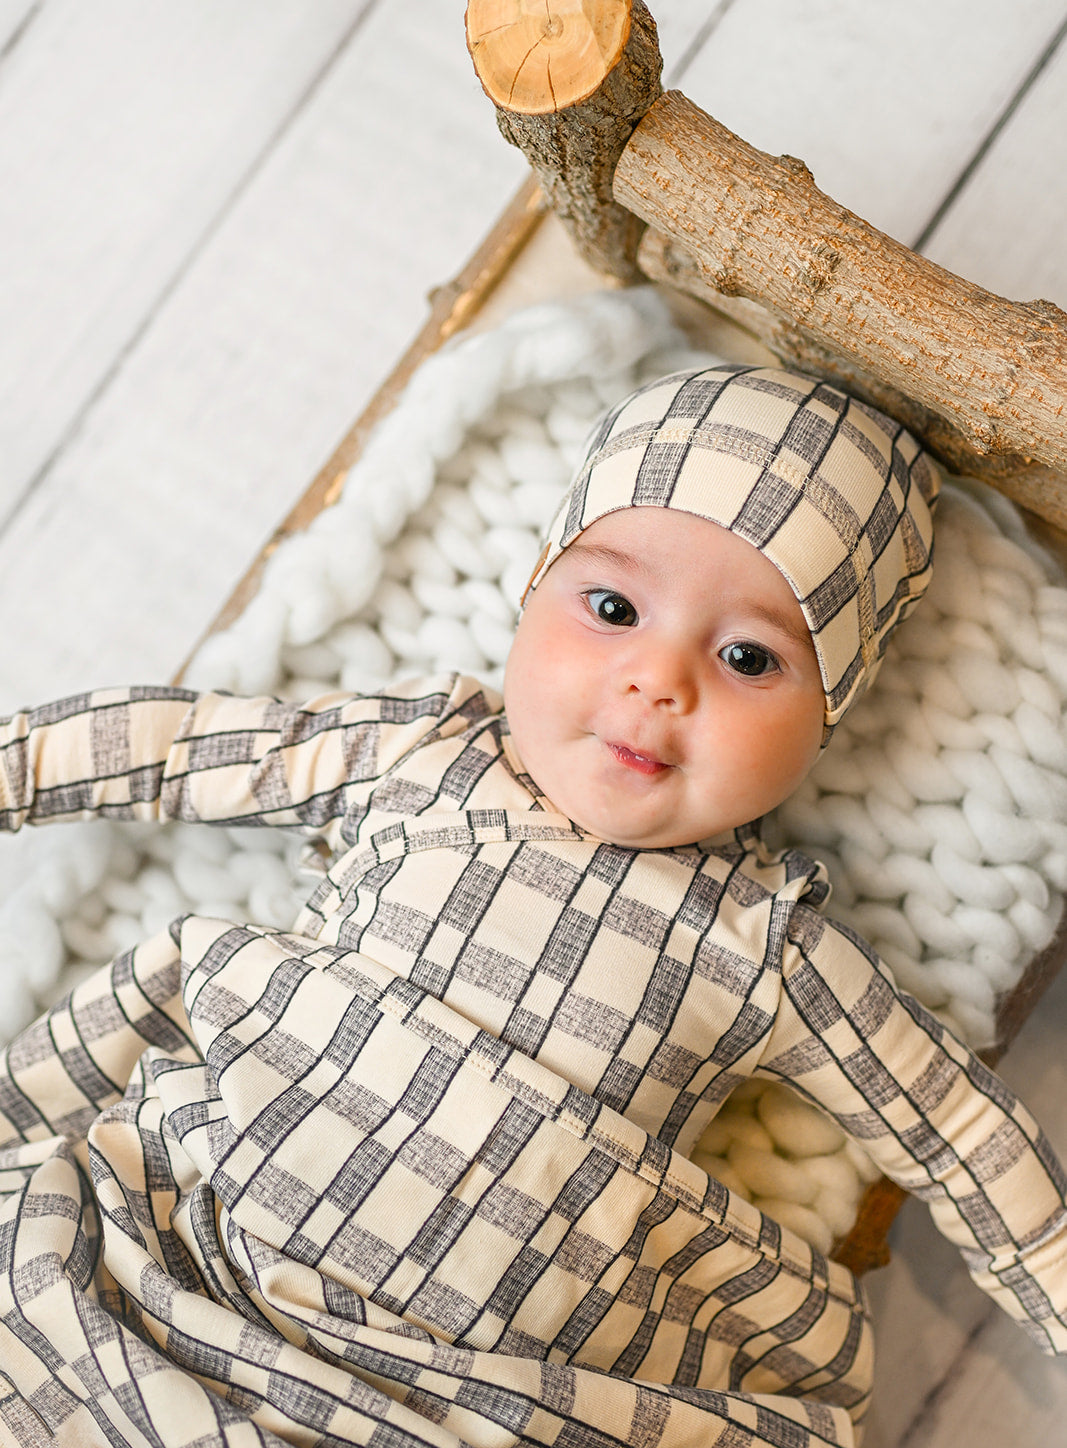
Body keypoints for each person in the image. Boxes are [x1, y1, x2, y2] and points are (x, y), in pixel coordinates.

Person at [0, 365, 1063, 1448]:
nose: (658, 679)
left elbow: (954, 1127)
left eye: (747, 657)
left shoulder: (764, 944)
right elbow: (182, 746)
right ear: (531, 593)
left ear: (824, 718)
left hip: (463, 1365)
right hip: (207, 1227)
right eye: (612, 609)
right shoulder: (425, 755)